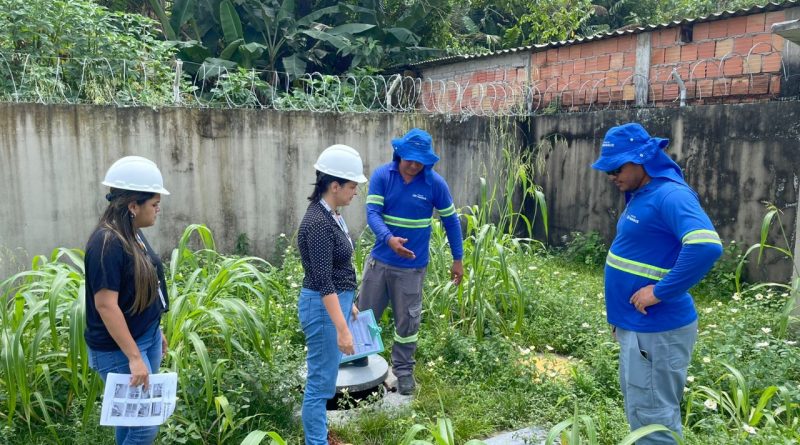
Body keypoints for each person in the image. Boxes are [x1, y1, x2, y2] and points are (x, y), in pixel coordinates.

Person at [591, 123, 723, 444]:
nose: (611, 176)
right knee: (642, 413)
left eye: (617, 167)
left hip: (656, 330)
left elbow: (706, 245)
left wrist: (659, 291)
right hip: (638, 328)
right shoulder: (641, 194)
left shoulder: (669, 195)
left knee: (654, 423)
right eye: (607, 170)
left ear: (642, 159)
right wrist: (620, 319)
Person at [356, 128, 464, 395]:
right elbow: (372, 213)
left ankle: (403, 371)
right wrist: (389, 239)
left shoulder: (434, 183)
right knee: (365, 315)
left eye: (421, 161)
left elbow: (451, 221)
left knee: (408, 323)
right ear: (399, 154)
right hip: (379, 262)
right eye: (410, 159)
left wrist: (458, 259)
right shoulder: (383, 176)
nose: (415, 165)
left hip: (412, 269)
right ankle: (358, 361)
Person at [84, 156, 170, 445]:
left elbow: (140, 289)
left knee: (132, 419)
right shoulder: (106, 243)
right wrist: (134, 357)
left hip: (144, 337)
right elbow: (106, 305)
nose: (158, 210)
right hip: (119, 349)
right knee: (145, 424)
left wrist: (154, 329)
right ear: (133, 206)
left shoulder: (132, 233)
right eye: (154, 205)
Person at [297, 144, 367, 445]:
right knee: (320, 386)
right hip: (324, 308)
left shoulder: (331, 215)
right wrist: (342, 330)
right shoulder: (318, 224)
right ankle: (316, 442)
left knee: (324, 380)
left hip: (335, 304)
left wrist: (348, 304)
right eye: (352, 186)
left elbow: (334, 272)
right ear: (334, 186)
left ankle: (320, 437)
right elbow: (323, 282)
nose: (355, 192)